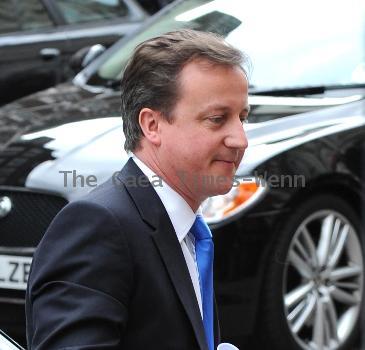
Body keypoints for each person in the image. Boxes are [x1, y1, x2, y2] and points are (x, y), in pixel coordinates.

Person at [26, 29, 250, 350]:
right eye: (217, 119)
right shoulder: (99, 226)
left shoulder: (184, 228)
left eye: (242, 117)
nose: (240, 139)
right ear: (152, 125)